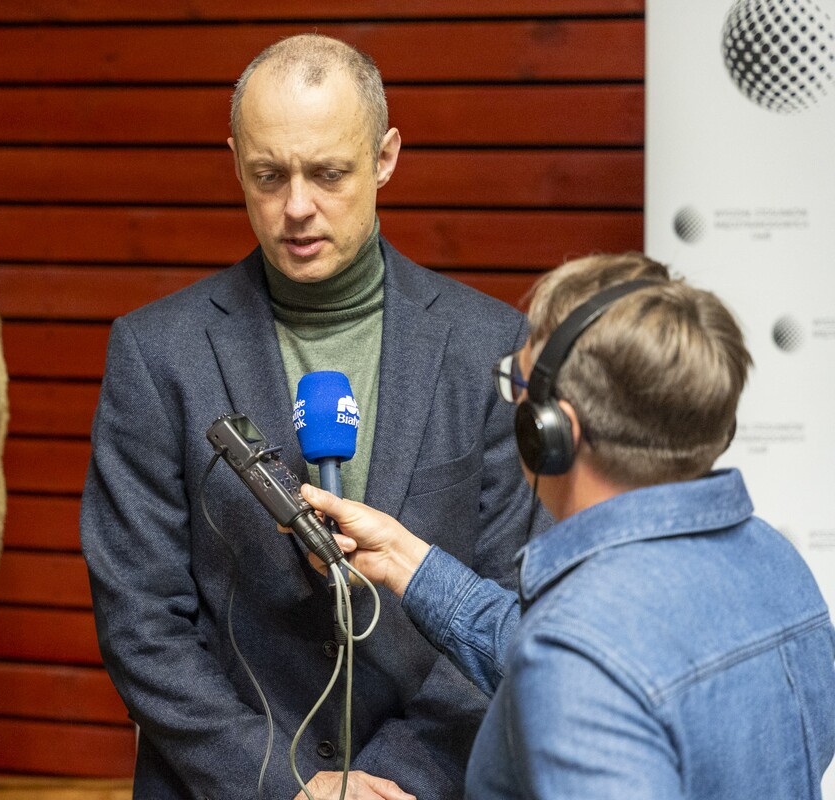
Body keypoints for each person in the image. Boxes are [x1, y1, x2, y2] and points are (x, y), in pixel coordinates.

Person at [80, 33, 546, 800]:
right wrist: (290, 785)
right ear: (236, 162)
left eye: (329, 173)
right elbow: (141, 622)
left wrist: (388, 780)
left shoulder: (492, 348)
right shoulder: (154, 354)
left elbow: (510, 603)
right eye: (269, 175)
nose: (296, 207)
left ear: (385, 158)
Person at [301, 252, 835, 799]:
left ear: (551, 431)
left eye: (518, 385)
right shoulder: (776, 563)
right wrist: (403, 560)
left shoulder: (578, 647)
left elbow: (586, 657)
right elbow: (600, 653)